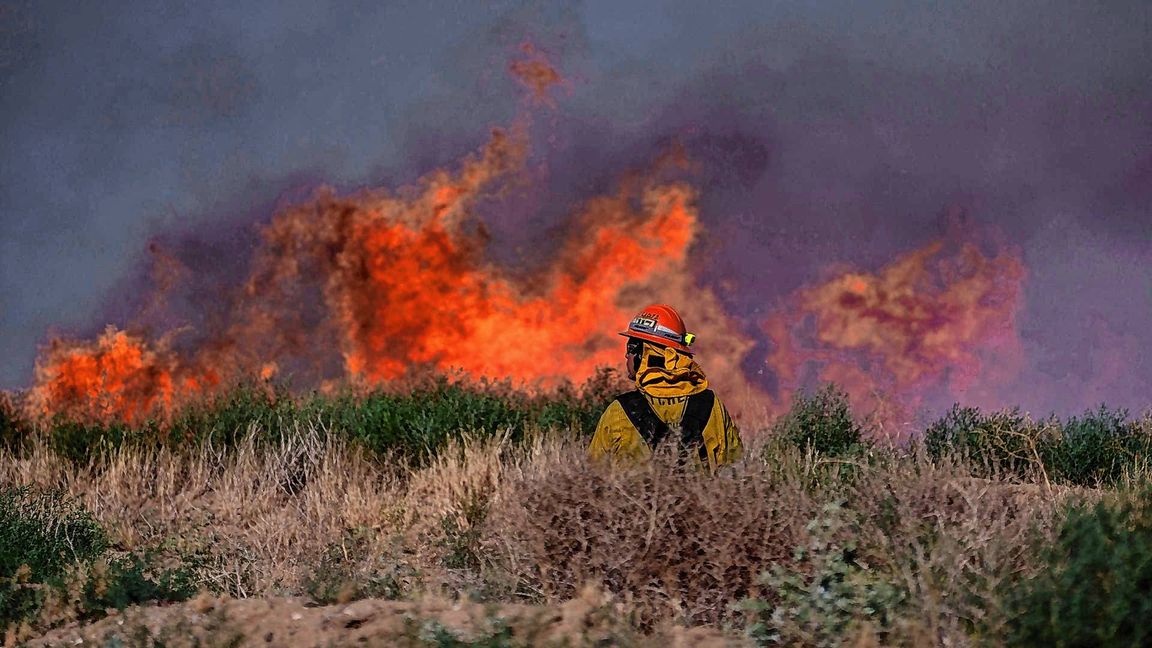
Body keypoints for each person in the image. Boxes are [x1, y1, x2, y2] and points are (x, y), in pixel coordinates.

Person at [588, 304, 743, 470]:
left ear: (644, 354)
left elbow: (593, 474)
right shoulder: (711, 406)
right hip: (701, 496)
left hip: (634, 496)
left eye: (631, 347)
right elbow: (734, 467)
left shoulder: (619, 411)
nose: (627, 355)